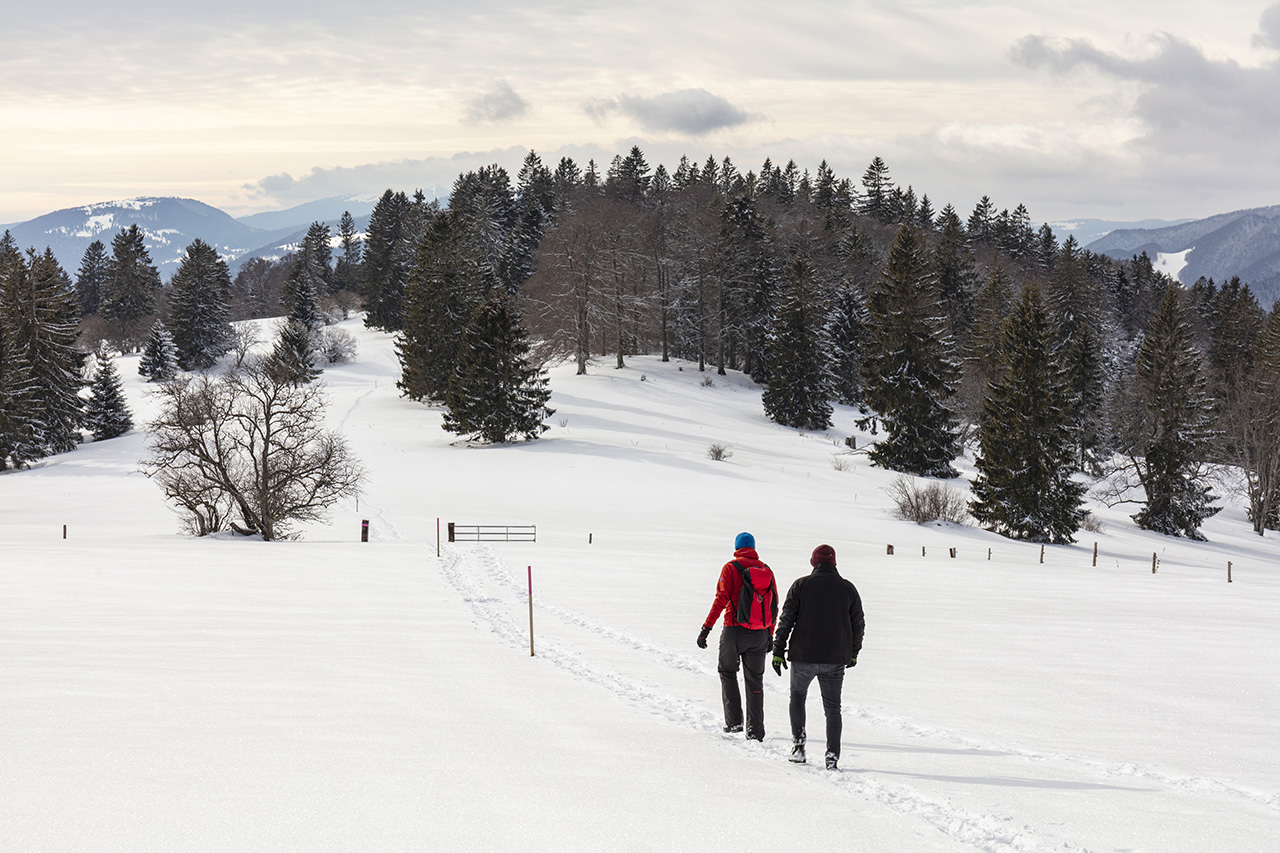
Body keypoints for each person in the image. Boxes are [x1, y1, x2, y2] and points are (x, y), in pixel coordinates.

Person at [771, 543, 864, 770]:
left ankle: (799, 747)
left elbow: (786, 620)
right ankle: (832, 756)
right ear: (834, 563)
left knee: (798, 698)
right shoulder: (848, 589)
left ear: (813, 562)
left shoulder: (801, 585)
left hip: (803, 655)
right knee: (833, 709)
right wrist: (853, 653)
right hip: (835, 659)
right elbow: (858, 624)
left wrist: (777, 650)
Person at [697, 531, 778, 741]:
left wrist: (706, 628)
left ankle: (734, 723)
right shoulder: (766, 569)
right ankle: (756, 731)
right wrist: (770, 634)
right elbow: (774, 605)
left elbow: (720, 600)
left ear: (736, 546)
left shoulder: (731, 568)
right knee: (755, 682)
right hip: (760, 634)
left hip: (733, 630)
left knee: (727, 671)